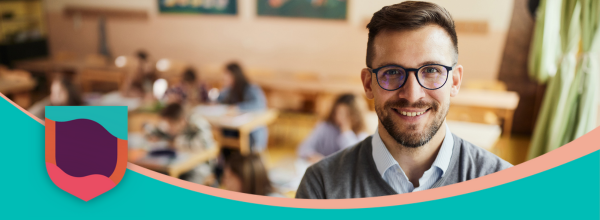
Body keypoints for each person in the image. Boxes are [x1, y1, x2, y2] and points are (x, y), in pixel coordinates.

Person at [296, 1, 512, 199]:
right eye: (392, 72)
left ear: (454, 82)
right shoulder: (321, 187)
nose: (412, 94)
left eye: (431, 70)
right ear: (368, 84)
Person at [297, 94, 369, 163]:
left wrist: (346, 133)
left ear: (356, 116)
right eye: (339, 113)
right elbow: (303, 148)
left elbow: (354, 158)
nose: (342, 118)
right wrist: (313, 156)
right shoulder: (325, 127)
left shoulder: (361, 135)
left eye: (347, 114)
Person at [217, 62, 269, 152]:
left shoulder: (250, 88)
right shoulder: (229, 90)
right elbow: (219, 100)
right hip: (231, 128)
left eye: (227, 74)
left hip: (251, 132)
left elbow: (259, 105)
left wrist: (238, 108)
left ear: (235, 75)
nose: (224, 77)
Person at [149, 103, 214, 153]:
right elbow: (159, 131)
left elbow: (205, 144)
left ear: (181, 120)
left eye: (171, 124)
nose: (169, 127)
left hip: (201, 165)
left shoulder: (198, 123)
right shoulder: (173, 127)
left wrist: (174, 143)